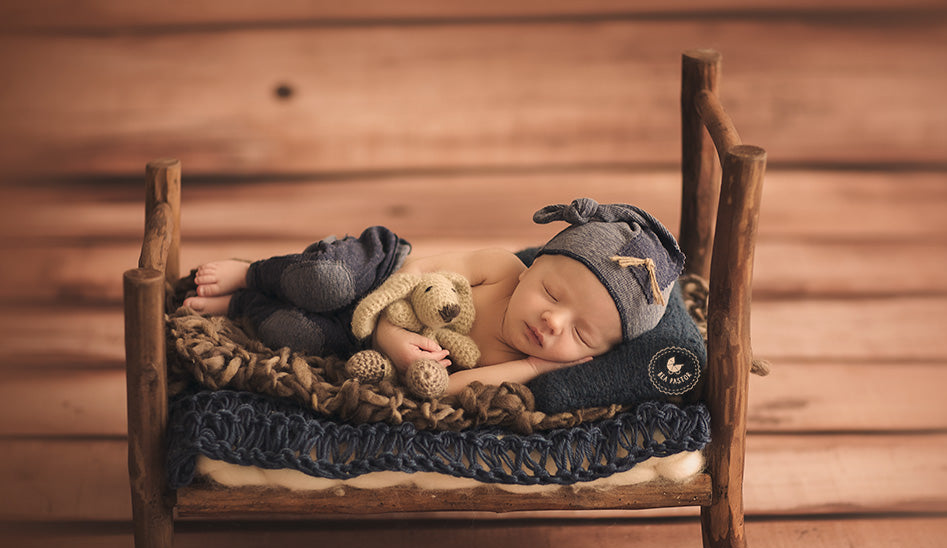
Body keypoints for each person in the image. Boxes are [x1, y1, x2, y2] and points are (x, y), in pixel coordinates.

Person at [183, 198, 685, 396]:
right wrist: (390, 329)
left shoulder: (534, 362)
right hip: (380, 276)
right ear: (534, 267)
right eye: (551, 293)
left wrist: (401, 359)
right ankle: (255, 274)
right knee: (326, 282)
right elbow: (418, 270)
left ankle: (242, 308)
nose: (554, 323)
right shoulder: (502, 269)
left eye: (581, 333)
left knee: (295, 334)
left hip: (363, 342)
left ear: (595, 354)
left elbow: (453, 389)